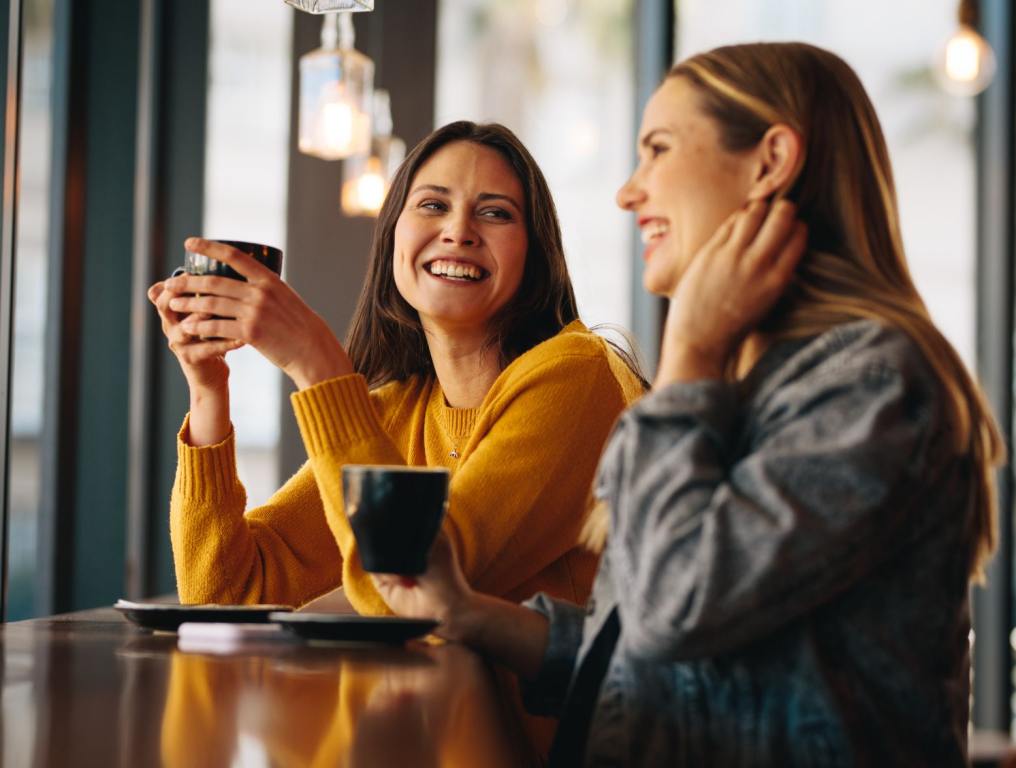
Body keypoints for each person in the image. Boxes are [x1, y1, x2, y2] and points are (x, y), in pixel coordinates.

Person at [374, 42, 1005, 766]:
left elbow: (677, 607)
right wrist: (471, 615)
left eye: (659, 150)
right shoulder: (748, 384)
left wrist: (690, 356)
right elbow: (652, 661)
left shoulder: (875, 386)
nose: (628, 191)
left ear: (769, 163)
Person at [148, 121, 645, 616]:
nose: (458, 232)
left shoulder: (575, 376)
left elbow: (417, 588)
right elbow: (225, 596)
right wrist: (208, 389)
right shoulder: (396, 413)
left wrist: (314, 360)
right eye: (433, 205)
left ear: (534, 254)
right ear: (391, 239)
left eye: (495, 213)